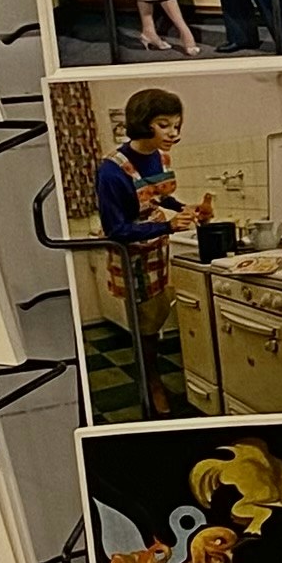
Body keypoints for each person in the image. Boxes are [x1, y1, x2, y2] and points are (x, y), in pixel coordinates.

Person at [93, 84, 206, 414]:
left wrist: (186, 208)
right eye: (164, 125)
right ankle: (151, 383)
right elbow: (117, 230)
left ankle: (151, 375)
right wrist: (169, 225)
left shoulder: (160, 154)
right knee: (143, 328)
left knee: (155, 321)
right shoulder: (112, 171)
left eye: (176, 124)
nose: (173, 133)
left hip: (158, 247)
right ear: (143, 123)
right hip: (132, 255)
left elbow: (158, 196)